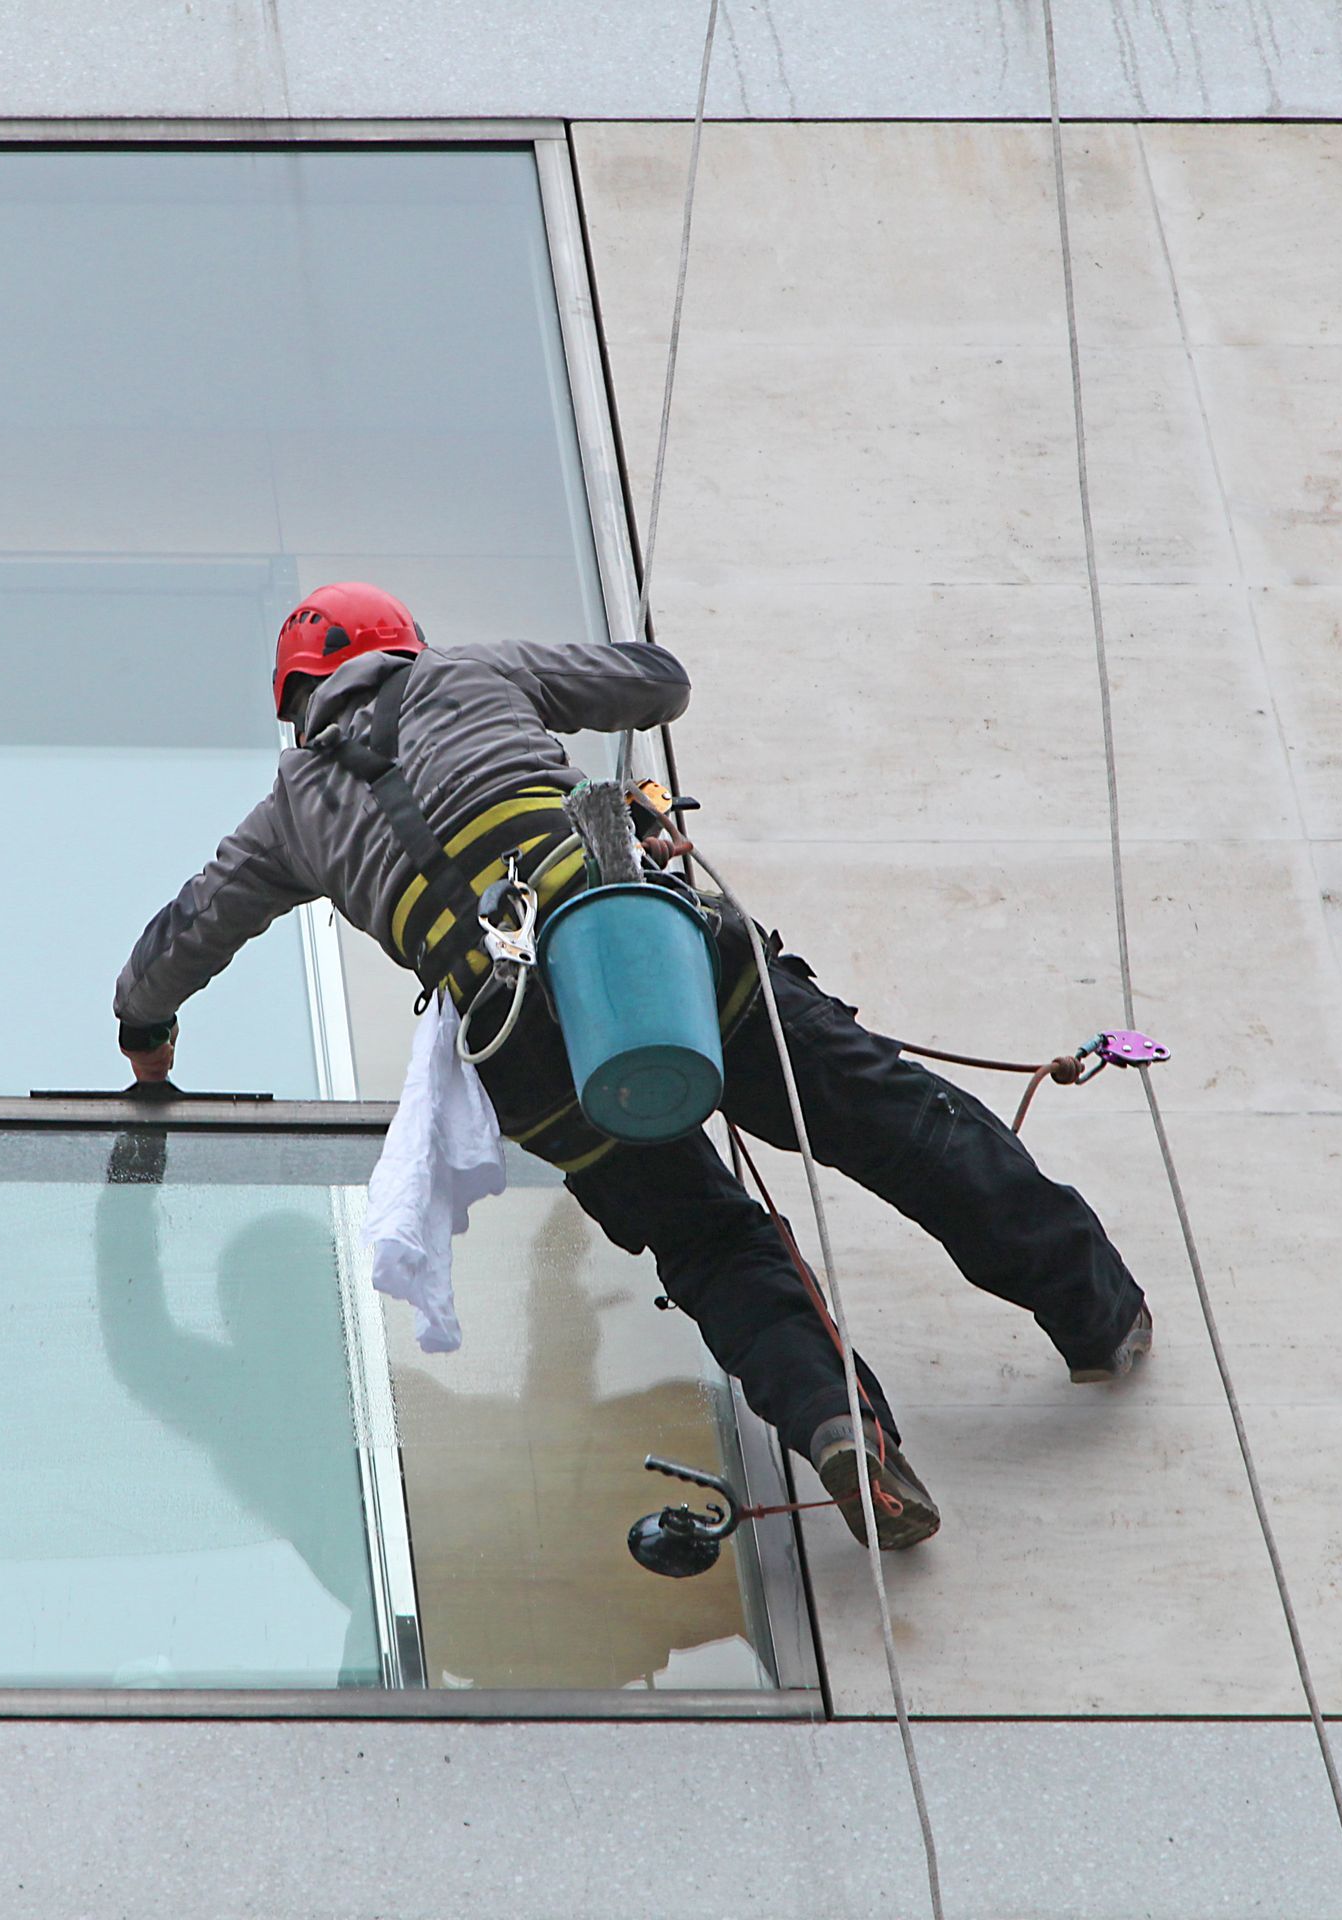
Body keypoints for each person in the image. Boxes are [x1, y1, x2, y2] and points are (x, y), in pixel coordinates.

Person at [115, 582, 1152, 1547]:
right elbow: (660, 683)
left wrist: (146, 1040)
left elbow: (179, 941)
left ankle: (837, 1425)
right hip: (634, 947)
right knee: (877, 1112)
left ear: (297, 703)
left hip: (520, 1044)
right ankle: (1095, 1310)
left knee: (707, 1242)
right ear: (404, 646)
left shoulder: (290, 812)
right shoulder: (472, 674)